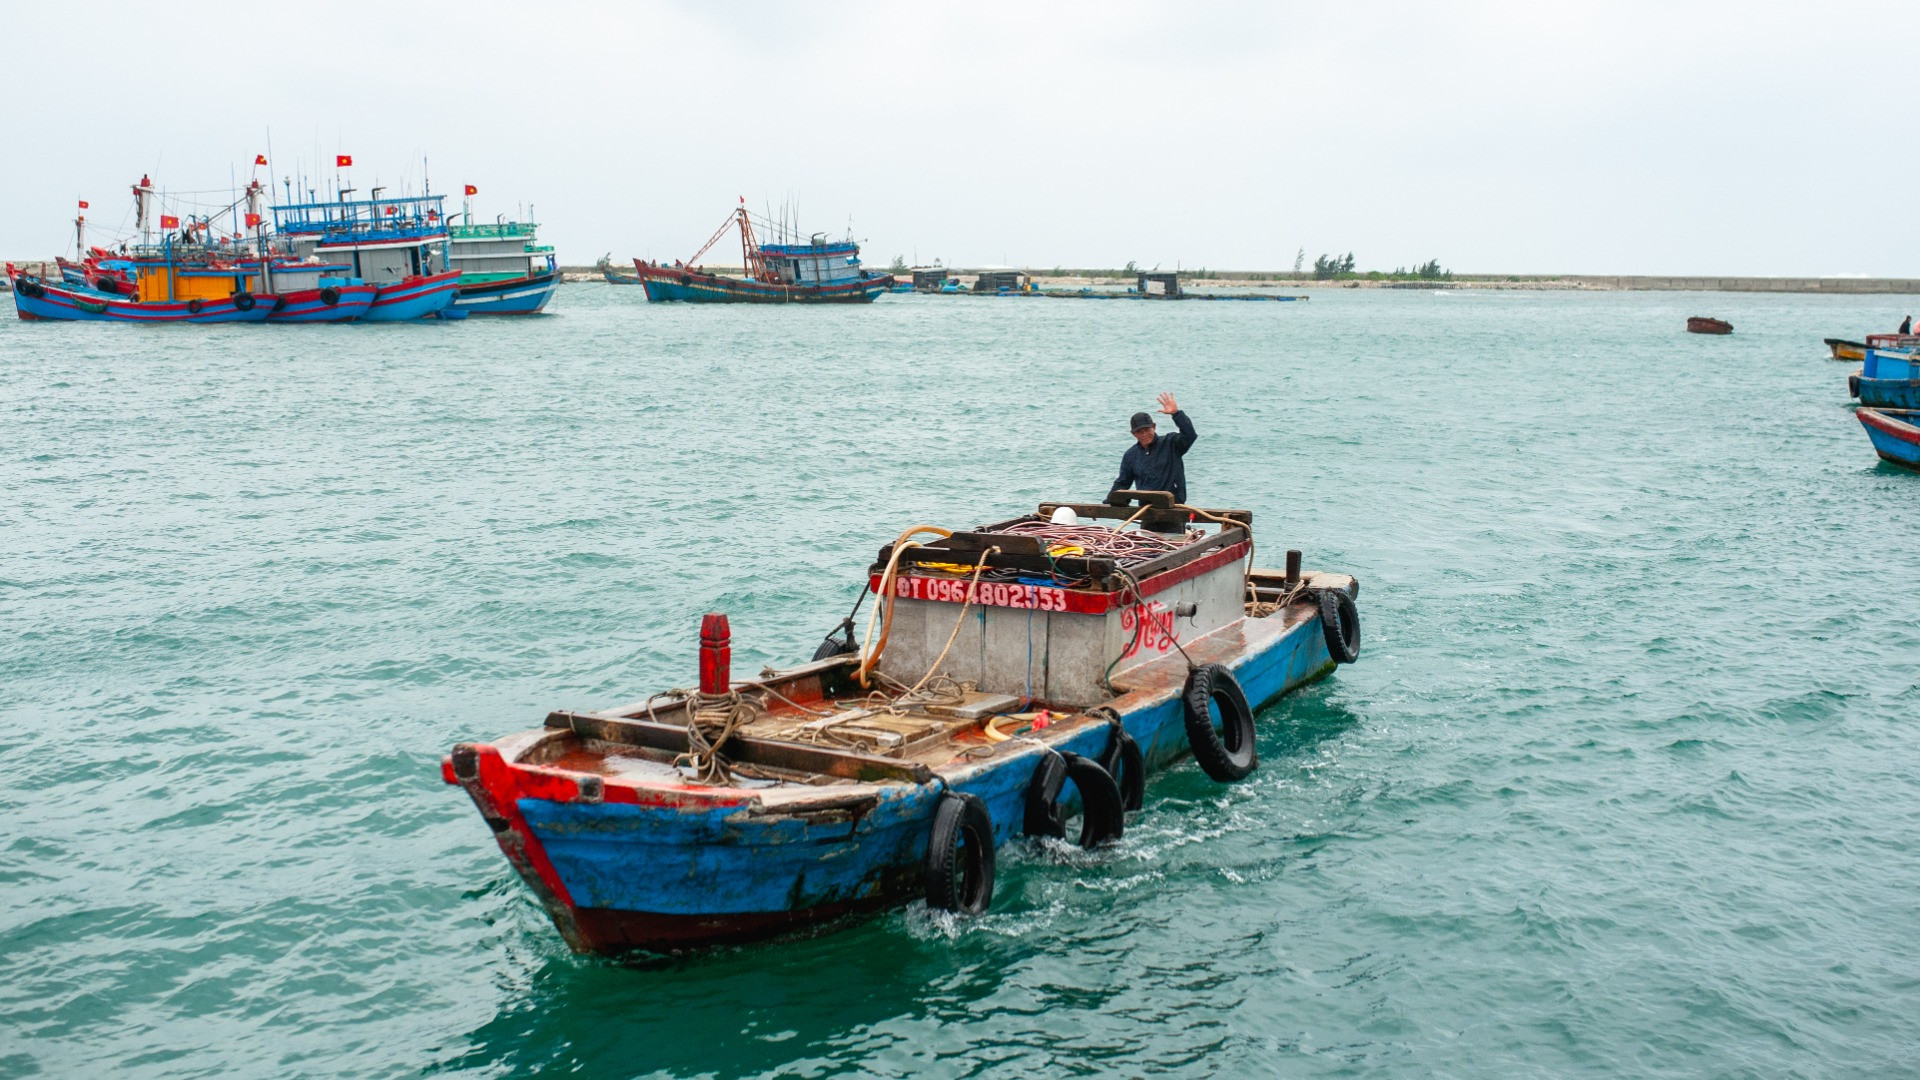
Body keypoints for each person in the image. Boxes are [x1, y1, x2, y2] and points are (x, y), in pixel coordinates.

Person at [1109, 392, 1198, 506]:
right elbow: (1123, 483)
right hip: (1146, 511)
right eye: (1139, 432)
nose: (1144, 434)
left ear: (1154, 427)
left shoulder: (1171, 443)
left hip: (1174, 509)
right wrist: (1108, 502)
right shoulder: (1131, 455)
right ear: (1133, 434)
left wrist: (1176, 414)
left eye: (1147, 429)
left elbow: (1190, 435)